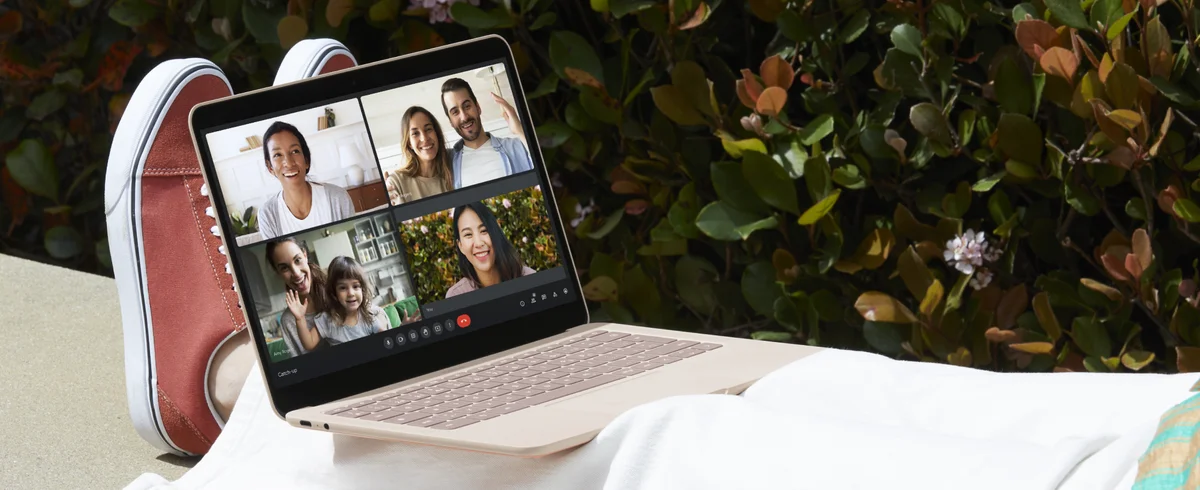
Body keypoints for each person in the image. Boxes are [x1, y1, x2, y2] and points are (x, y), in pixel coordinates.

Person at [256, 121, 356, 238]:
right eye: (277, 155)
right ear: (270, 167)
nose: (288, 162)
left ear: (306, 160)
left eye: (295, 151)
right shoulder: (267, 215)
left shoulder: (338, 197)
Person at [440, 78, 534, 189]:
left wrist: (520, 131)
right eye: (455, 112)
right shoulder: (447, 163)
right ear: (451, 121)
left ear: (478, 107)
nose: (464, 117)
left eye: (467, 106)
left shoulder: (517, 146)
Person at [446, 201, 536, 298]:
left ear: (495, 233)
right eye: (468, 234)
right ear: (460, 246)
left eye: (484, 230)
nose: (479, 243)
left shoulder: (529, 278)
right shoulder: (456, 295)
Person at [266, 237, 331, 358]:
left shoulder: (335, 291)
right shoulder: (289, 321)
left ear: (305, 255)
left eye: (297, 260)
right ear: (278, 272)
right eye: (284, 268)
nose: (296, 273)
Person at [311, 256, 391, 346]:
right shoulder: (327, 319)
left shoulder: (368, 317)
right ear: (334, 293)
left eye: (355, 286)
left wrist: (402, 329)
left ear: (362, 289)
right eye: (343, 288)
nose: (351, 293)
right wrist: (299, 318)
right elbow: (309, 343)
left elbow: (387, 340)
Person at [385, 106, 454, 204]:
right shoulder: (396, 183)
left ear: (437, 134)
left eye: (428, 129)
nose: (424, 138)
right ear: (409, 143)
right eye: (415, 133)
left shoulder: (455, 168)